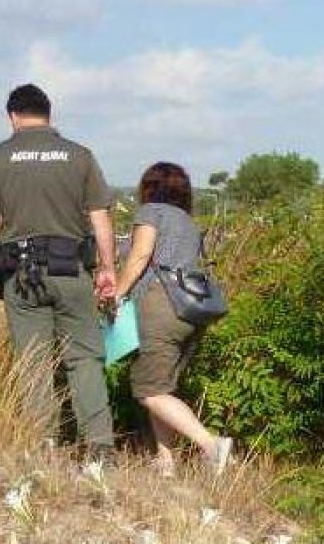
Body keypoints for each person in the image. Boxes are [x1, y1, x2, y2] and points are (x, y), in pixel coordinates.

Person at [0, 83, 118, 462]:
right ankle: (99, 448)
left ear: (12, 115)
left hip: (20, 274)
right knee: (84, 358)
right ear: (49, 114)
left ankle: (44, 444)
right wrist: (108, 270)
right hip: (72, 270)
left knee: (34, 359)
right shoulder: (80, 156)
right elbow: (100, 219)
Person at [115, 162, 232, 477]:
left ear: (149, 187)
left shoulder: (151, 213)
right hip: (191, 311)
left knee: (148, 390)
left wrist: (118, 293)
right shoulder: (189, 223)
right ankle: (166, 461)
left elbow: (140, 256)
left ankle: (211, 445)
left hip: (159, 304)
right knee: (163, 387)